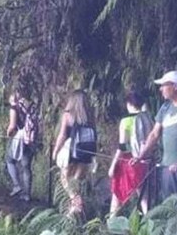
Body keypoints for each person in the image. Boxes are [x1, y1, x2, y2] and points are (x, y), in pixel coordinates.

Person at [132, 70, 177, 220]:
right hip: (167, 166)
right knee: (170, 205)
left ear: (176, 86)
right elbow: (154, 134)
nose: (161, 89)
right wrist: (141, 156)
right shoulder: (165, 107)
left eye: (164, 85)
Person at [108, 90, 156, 216]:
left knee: (117, 192)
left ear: (129, 104)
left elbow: (122, 146)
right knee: (144, 195)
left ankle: (112, 222)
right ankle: (148, 222)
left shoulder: (126, 121)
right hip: (147, 160)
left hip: (130, 160)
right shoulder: (148, 118)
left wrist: (113, 165)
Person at [52, 89, 97, 217]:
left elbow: (62, 135)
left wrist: (56, 150)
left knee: (65, 177)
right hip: (86, 151)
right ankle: (75, 212)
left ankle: (75, 202)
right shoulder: (89, 115)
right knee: (77, 179)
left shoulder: (67, 114)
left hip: (71, 151)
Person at [5, 89, 38, 201]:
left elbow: (12, 126)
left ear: (15, 96)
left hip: (20, 139)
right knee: (26, 167)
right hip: (31, 138)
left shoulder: (15, 108)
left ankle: (17, 185)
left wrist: (8, 133)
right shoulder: (32, 105)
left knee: (9, 160)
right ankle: (27, 195)